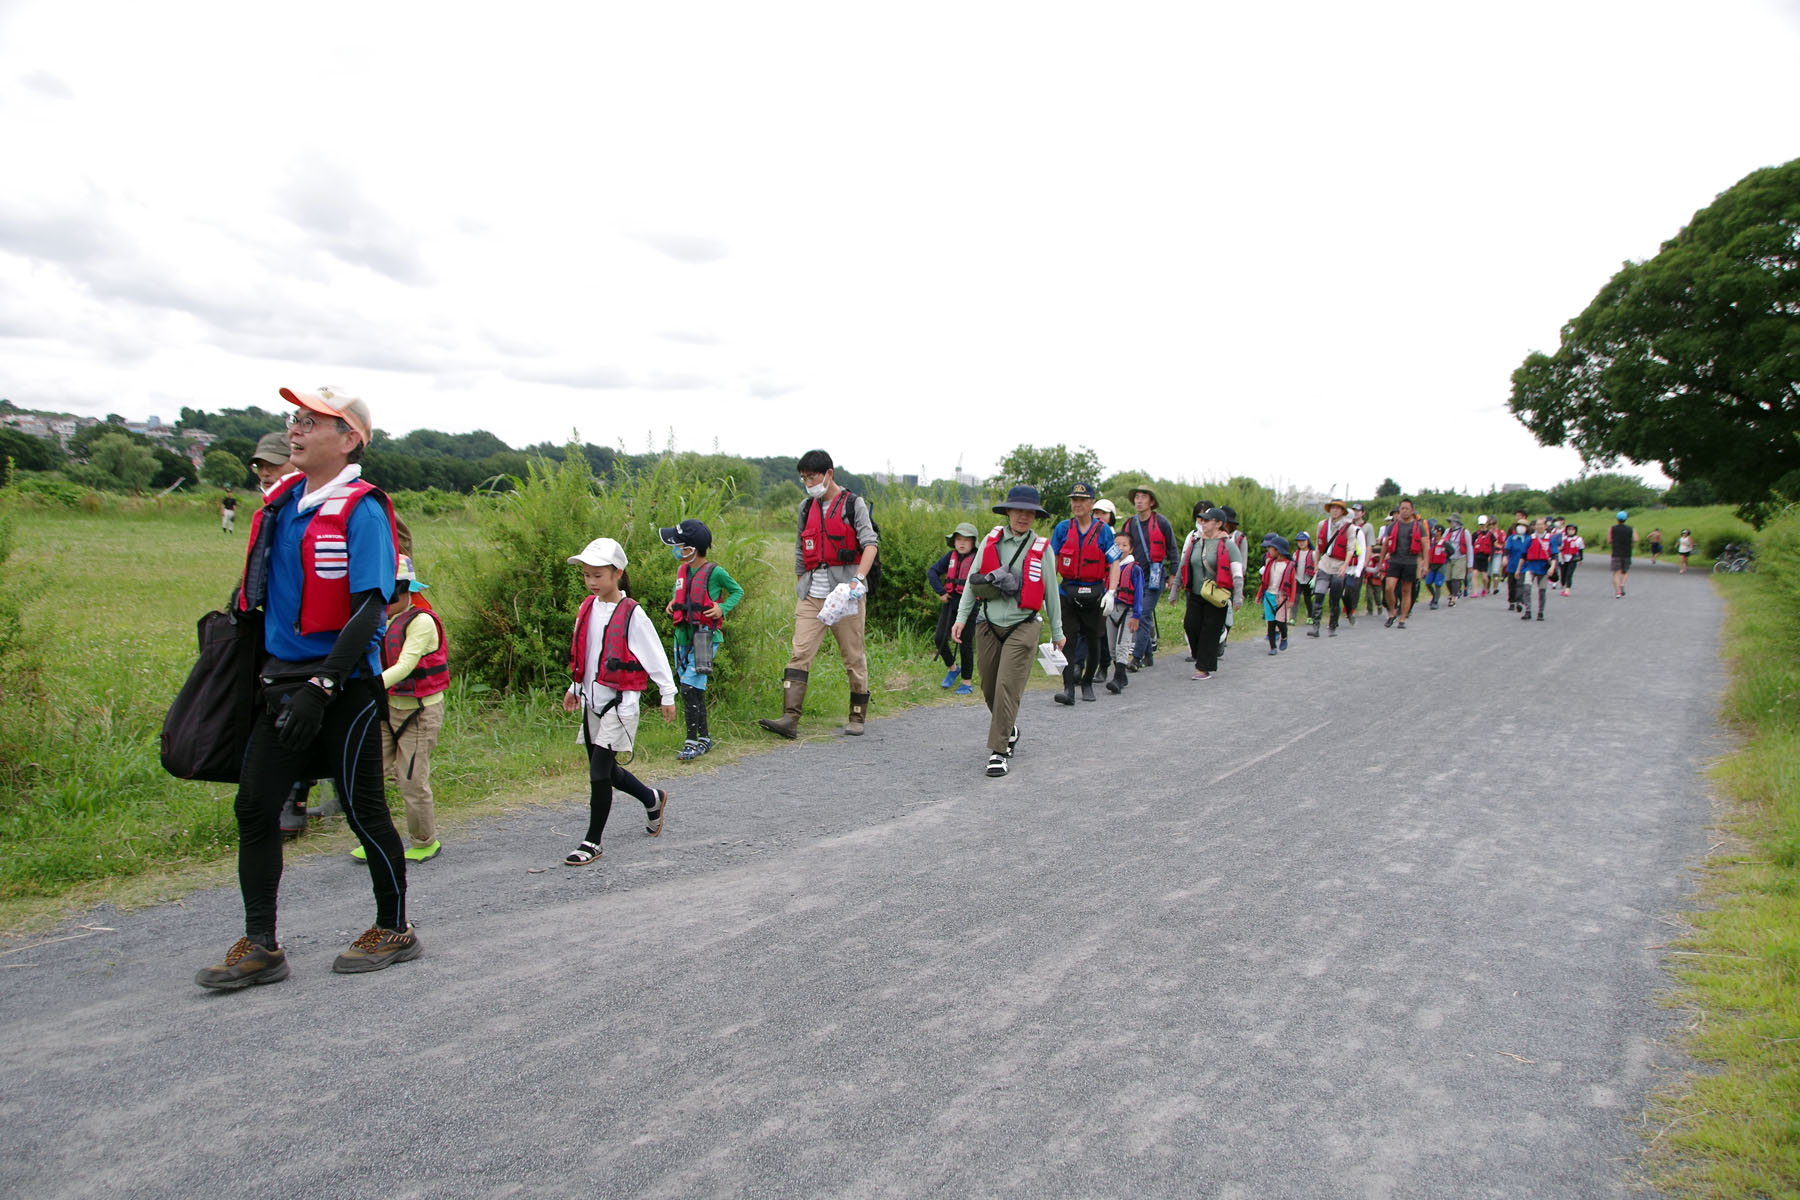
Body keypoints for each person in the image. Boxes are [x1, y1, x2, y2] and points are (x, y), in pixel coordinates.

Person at [195, 385, 414, 990]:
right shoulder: (283, 502)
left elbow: (372, 607)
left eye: (313, 421)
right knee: (255, 804)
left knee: (364, 810)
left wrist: (323, 685)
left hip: (341, 685)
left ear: (348, 441)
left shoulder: (363, 508)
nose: (296, 429)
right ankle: (261, 943)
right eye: (295, 418)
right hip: (279, 683)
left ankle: (394, 928)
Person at [561, 537, 676, 866]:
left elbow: (655, 657)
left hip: (620, 704)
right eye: (586, 575)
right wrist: (574, 686)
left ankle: (592, 841)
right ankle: (652, 798)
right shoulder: (587, 608)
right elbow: (587, 654)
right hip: (591, 700)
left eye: (598, 575)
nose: (591, 582)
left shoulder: (632, 615)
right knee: (607, 770)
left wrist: (667, 695)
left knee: (598, 772)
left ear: (617, 573)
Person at [758, 450, 879, 739]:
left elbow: (870, 544)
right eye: (804, 478)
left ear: (829, 473)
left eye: (812, 476)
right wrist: (802, 583)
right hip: (812, 594)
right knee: (800, 653)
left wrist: (857, 581)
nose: (808, 482)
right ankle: (790, 718)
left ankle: (857, 716)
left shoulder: (853, 504)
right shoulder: (805, 508)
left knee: (853, 656)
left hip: (846, 595)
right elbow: (801, 551)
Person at [950, 486, 1066, 778]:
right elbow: (972, 582)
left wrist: (1058, 631)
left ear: (1035, 516)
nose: (1023, 517)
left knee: (1007, 687)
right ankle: (1009, 729)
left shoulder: (1042, 548)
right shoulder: (991, 540)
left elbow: (1051, 591)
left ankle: (999, 751)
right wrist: (962, 617)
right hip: (988, 622)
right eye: (1018, 511)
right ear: (1008, 512)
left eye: (1029, 512)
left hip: (1024, 625)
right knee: (989, 687)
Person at [351, 553, 447, 865]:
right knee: (370, 775)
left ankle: (424, 841)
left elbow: (405, 665)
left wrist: (369, 687)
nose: (384, 600)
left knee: (411, 779)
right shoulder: (375, 619)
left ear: (407, 591)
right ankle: (374, 839)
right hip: (385, 708)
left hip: (419, 713)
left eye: (391, 593)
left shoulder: (421, 622)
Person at [660, 519, 744, 759]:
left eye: (679, 545)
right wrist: (673, 603)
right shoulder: (682, 571)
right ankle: (704, 739)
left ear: (692, 548)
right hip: (682, 635)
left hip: (705, 638)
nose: (675, 550)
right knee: (695, 689)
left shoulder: (715, 572)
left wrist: (722, 608)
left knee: (688, 687)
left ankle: (690, 741)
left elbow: (737, 591)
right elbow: (682, 594)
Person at [1048, 483, 1122, 705]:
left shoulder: (1104, 531)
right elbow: (1053, 562)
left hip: (1095, 593)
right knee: (1066, 640)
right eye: (1074, 500)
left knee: (1093, 639)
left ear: (1091, 503)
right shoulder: (1062, 528)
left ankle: (1088, 682)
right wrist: (1048, 593)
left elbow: (1115, 562)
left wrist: (1111, 592)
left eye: (1082, 500)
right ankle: (1068, 688)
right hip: (1067, 591)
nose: (1077, 504)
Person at [1170, 507, 1242, 680]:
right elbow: (1184, 566)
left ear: (1218, 524)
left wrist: (1238, 595)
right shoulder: (1195, 542)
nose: (1202, 523)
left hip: (1217, 595)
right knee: (1190, 625)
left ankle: (1203, 667)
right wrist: (1174, 590)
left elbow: (1237, 572)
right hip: (1196, 593)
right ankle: (1201, 655)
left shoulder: (1228, 545)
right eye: (1201, 520)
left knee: (1210, 631)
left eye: (1207, 520)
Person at [1121, 485, 1175, 668]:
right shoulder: (1129, 524)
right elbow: (1120, 546)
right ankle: (1148, 655)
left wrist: (1173, 575)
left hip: (1154, 577)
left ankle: (1136, 659)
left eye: (1143, 497)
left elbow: (1172, 549)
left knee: (1142, 615)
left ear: (1151, 502)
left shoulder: (1162, 523)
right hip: (1134, 576)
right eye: (1136, 497)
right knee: (1141, 614)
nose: (1139, 500)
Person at [928, 522, 980, 695]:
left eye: (966, 540)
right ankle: (952, 668)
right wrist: (941, 591)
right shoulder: (950, 556)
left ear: (973, 543)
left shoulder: (978, 558)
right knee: (939, 638)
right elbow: (932, 572)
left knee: (965, 643)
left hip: (970, 604)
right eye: (958, 539)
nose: (962, 543)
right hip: (951, 602)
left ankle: (966, 682)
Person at [1102, 527, 1143, 693]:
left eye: (1124, 545)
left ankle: (1118, 678)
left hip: (1128, 610)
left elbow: (1139, 593)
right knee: (1112, 646)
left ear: (1131, 548)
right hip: (1112, 610)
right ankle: (1122, 676)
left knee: (1123, 644)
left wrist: (1137, 615)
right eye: (1116, 544)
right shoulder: (1108, 567)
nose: (1119, 548)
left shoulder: (1135, 569)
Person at [1382, 498, 1427, 628]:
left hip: (1410, 562)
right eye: (1402, 508)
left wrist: (1425, 564)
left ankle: (1402, 619)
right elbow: (1385, 545)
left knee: (1406, 591)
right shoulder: (1392, 526)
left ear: (1412, 511)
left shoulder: (1418, 527)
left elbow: (1425, 546)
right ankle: (1392, 612)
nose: (1404, 511)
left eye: (1407, 508)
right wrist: (1381, 562)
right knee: (1389, 588)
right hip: (1395, 560)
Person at [1256, 534, 1296, 654]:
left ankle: (1284, 636)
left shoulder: (1289, 565)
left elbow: (1293, 583)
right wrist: (1259, 595)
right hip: (1269, 595)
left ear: (1278, 550)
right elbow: (1264, 582)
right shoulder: (1270, 563)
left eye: (1271, 548)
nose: (1268, 550)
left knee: (1280, 622)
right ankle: (1272, 647)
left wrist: (1291, 599)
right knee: (1271, 622)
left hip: (1281, 597)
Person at [1518, 517, 1556, 621]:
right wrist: (1518, 569)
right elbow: (1523, 555)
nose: (1539, 526)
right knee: (1527, 587)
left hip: (1543, 567)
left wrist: (1552, 567)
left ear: (1545, 526)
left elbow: (1554, 555)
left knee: (1542, 590)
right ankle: (1528, 610)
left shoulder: (1550, 538)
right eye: (1538, 524)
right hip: (1530, 566)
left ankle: (1540, 612)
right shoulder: (1530, 538)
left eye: (1541, 524)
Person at [1291, 530, 1319, 634]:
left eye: (1303, 541)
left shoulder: (1313, 553)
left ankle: (1310, 617)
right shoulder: (1296, 554)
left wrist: (1314, 578)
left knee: (1308, 599)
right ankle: (1293, 618)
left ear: (1307, 541)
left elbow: (1317, 567)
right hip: (1298, 579)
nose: (1301, 543)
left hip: (1308, 579)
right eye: (1299, 541)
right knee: (1295, 598)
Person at [1441, 514, 1472, 606]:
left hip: (1460, 557)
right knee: (1447, 579)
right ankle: (1453, 592)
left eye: (1452, 521)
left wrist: (1470, 563)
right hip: (1449, 557)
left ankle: (1453, 598)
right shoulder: (1447, 531)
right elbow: (1442, 542)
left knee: (1456, 578)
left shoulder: (1465, 532)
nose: (1450, 523)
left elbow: (1469, 547)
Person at [1503, 517, 1530, 611]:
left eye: (1523, 526)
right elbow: (1507, 549)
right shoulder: (1511, 538)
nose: (1521, 528)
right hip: (1512, 564)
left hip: (1524, 565)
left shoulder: (1528, 539)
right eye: (1519, 526)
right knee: (1511, 585)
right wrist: (1505, 557)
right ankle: (1512, 601)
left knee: (1520, 584)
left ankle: (1519, 601)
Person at [1609, 511, 1635, 598]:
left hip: (1616, 553)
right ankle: (1622, 584)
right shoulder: (1631, 529)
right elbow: (1635, 539)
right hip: (1627, 553)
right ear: (1626, 519)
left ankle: (1618, 593)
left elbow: (1609, 540)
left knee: (1616, 573)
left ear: (1617, 519)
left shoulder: (1612, 528)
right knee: (1625, 571)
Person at [1557, 523, 1585, 595]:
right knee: (1563, 574)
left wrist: (1581, 559)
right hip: (1563, 558)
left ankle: (1567, 589)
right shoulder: (1563, 538)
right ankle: (1563, 586)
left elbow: (1580, 549)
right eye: (1569, 529)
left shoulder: (1578, 539)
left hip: (1573, 558)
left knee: (1569, 574)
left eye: (1573, 529)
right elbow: (1560, 547)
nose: (1571, 531)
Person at [1472, 515, 1495, 597]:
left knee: (1484, 577)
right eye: (1481, 524)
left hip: (1485, 557)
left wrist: (1490, 556)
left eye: (1483, 524)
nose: (1482, 525)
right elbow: (1471, 544)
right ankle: (1474, 592)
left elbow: (1493, 546)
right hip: (1477, 556)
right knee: (1474, 574)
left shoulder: (1491, 535)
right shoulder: (1476, 534)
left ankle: (1484, 588)